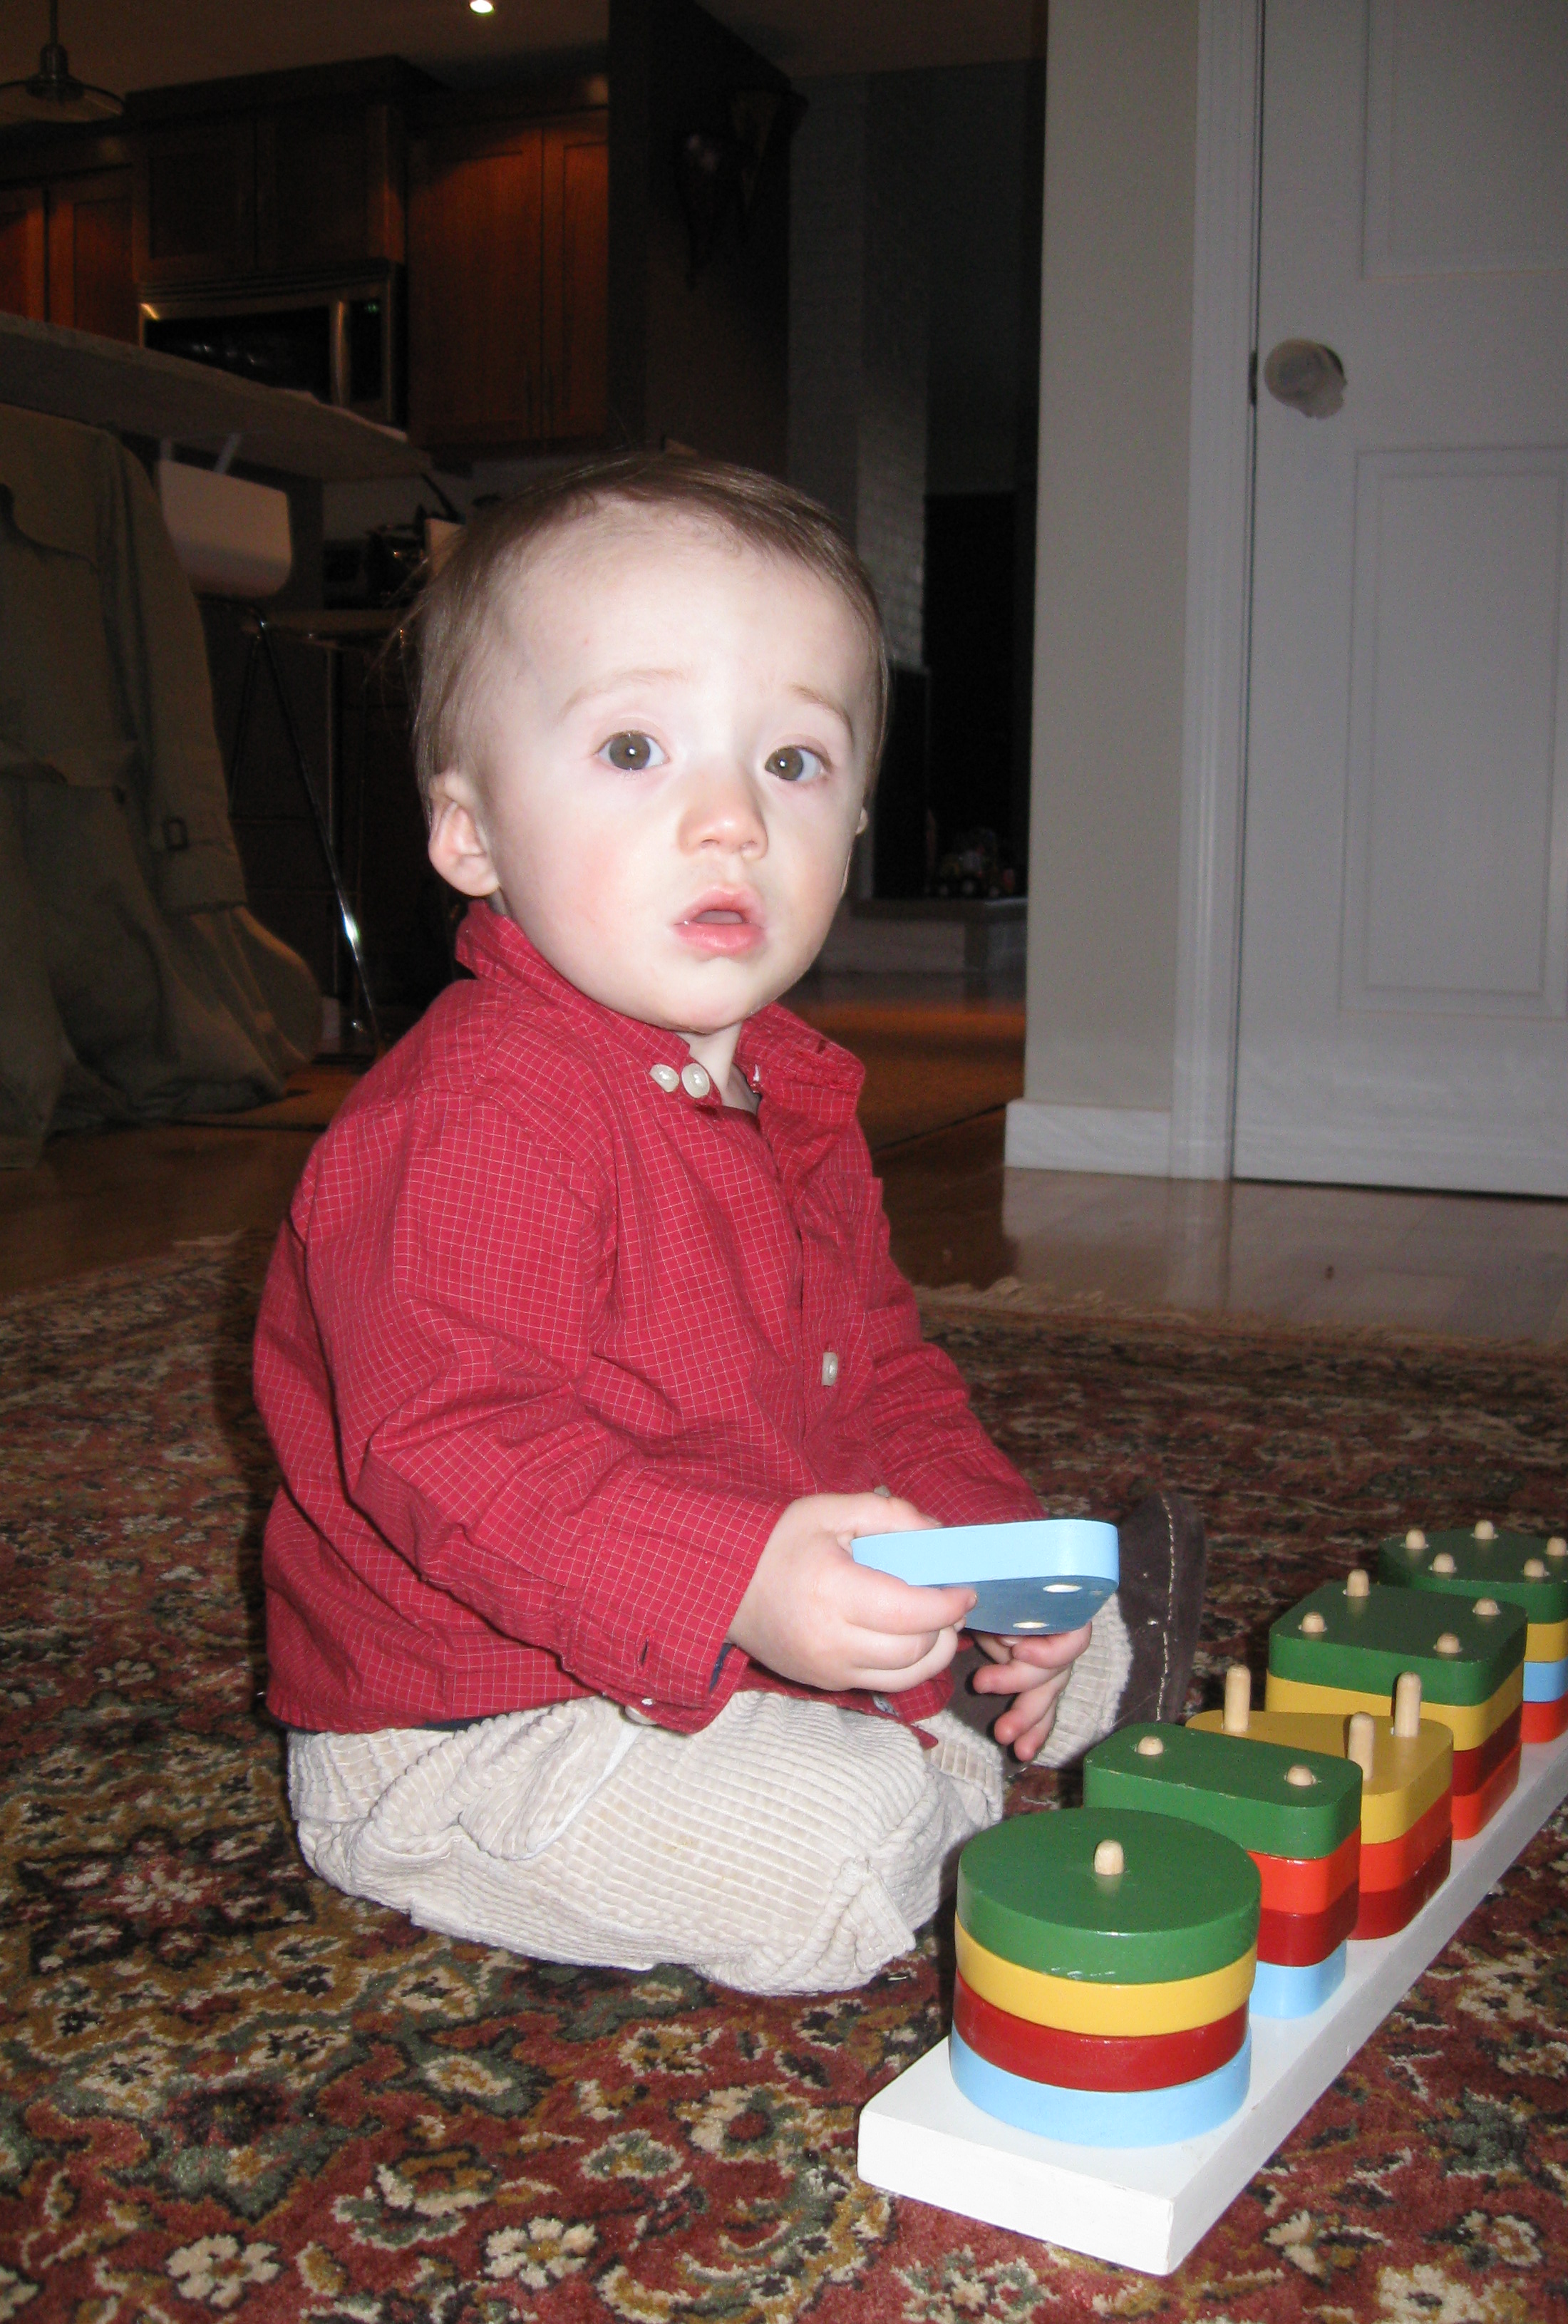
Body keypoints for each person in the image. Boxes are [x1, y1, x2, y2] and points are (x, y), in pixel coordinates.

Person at [254, 451, 1205, 1995]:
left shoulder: (791, 1097)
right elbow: (453, 1451)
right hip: (474, 1717)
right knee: (839, 1855)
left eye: (794, 762)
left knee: (1018, 1651)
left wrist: (997, 1557)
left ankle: (1007, 1681)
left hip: (725, 1626)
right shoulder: (475, 1118)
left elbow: (882, 1379)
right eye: (635, 747)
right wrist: (736, 1584)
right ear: (471, 833)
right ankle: (919, 1758)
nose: (731, 821)